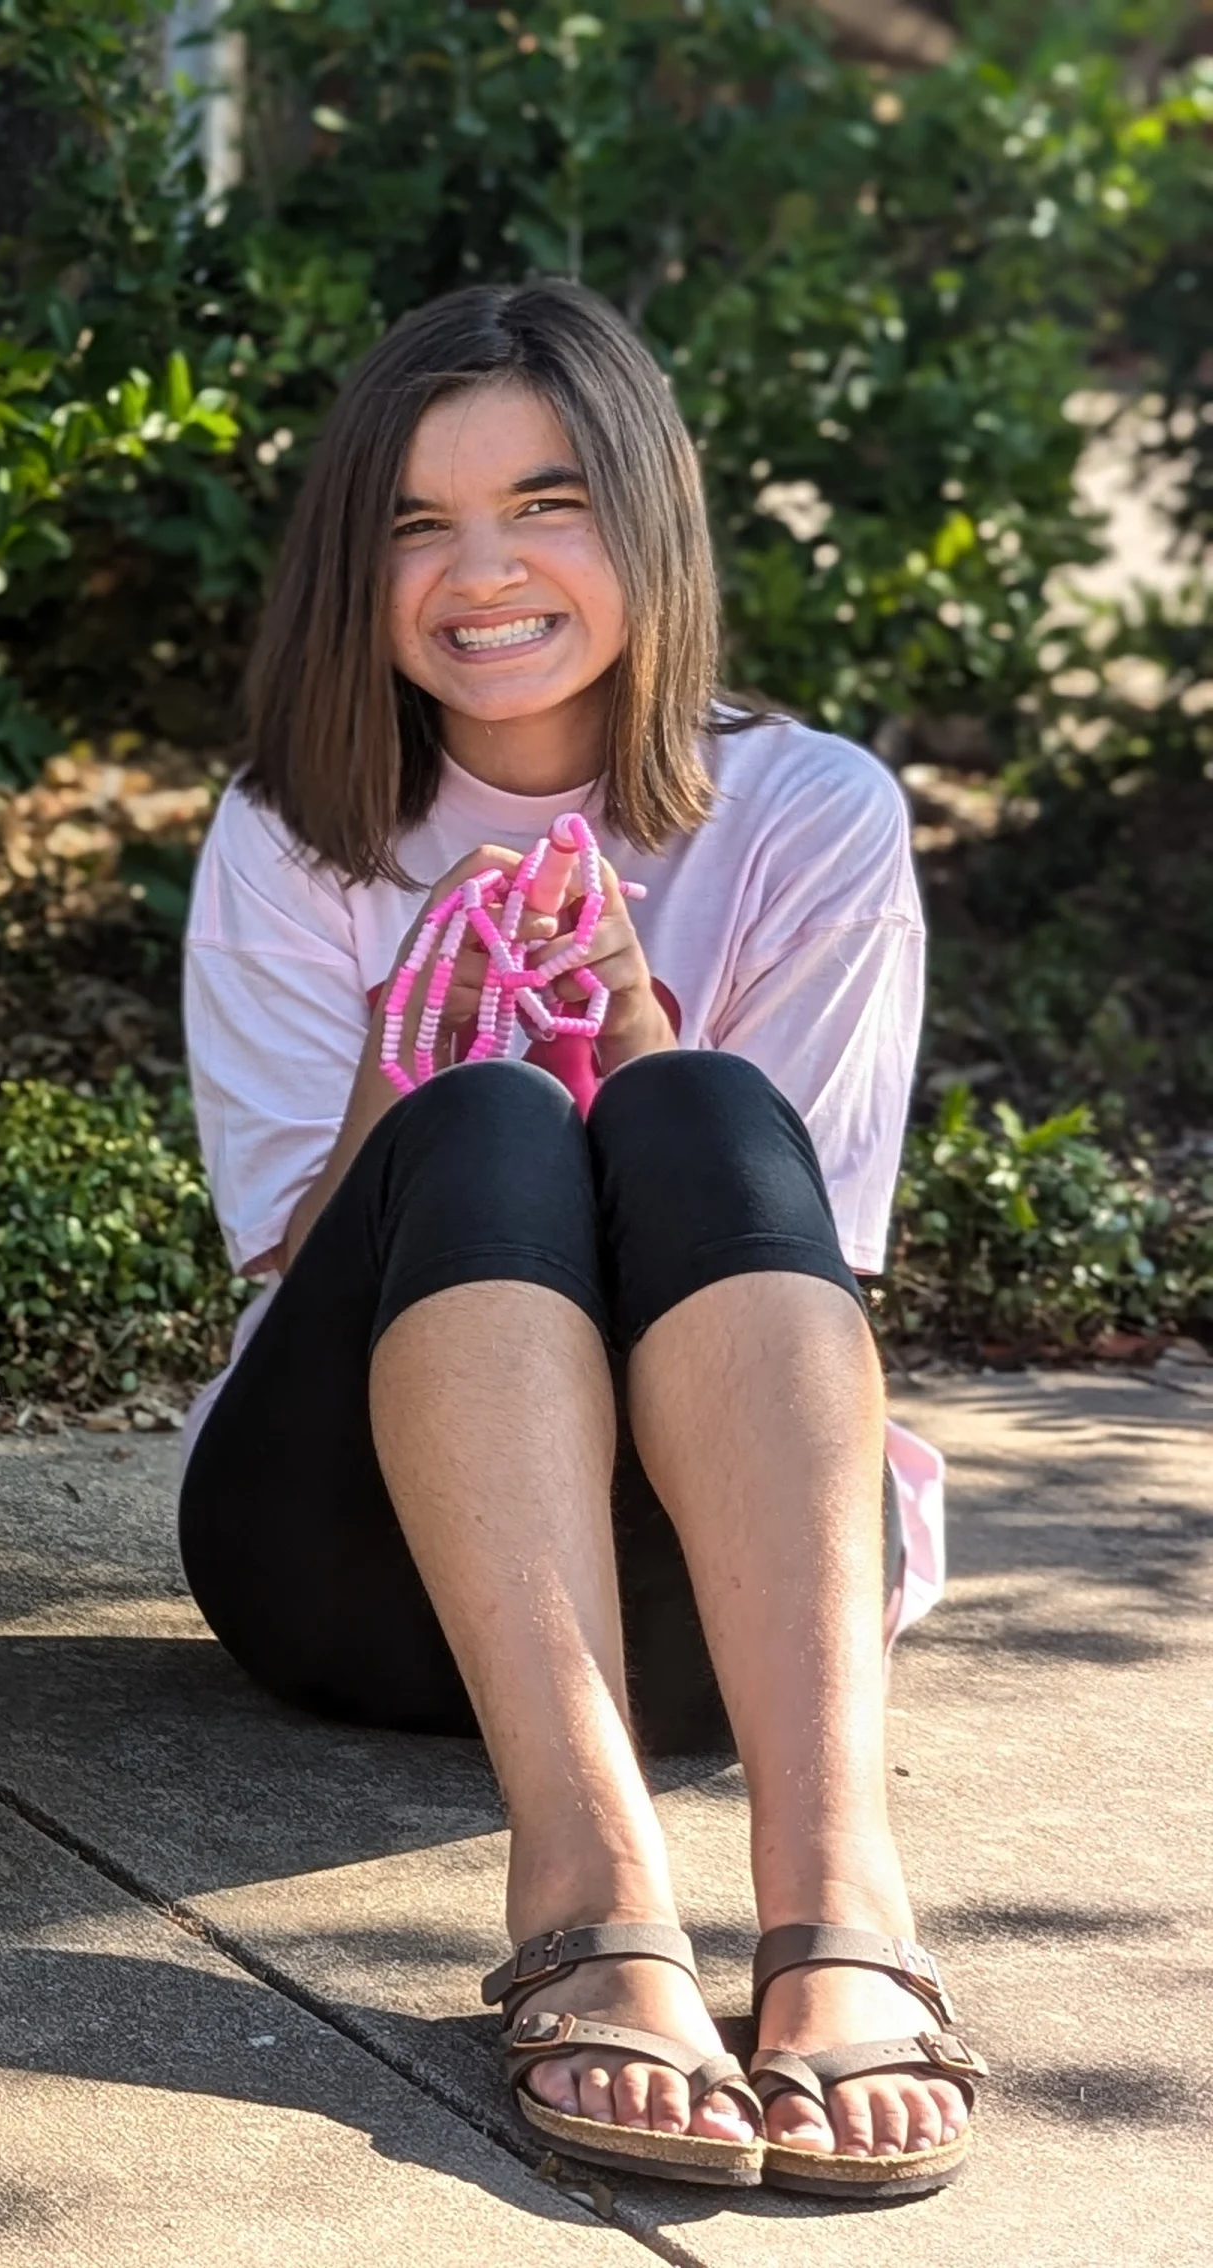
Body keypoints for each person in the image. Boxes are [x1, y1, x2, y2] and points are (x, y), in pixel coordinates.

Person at [176, 279, 981, 2201]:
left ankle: (838, 1898)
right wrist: (416, 1062)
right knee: (480, 1114)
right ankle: (595, 1889)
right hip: (354, 1572)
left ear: (647, 518)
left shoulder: (810, 814)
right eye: (416, 523)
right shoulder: (293, 838)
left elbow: (805, 1265)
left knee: (696, 1108)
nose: (483, 572)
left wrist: (633, 1039)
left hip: (722, 1609)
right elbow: (294, 1282)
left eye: (546, 503)